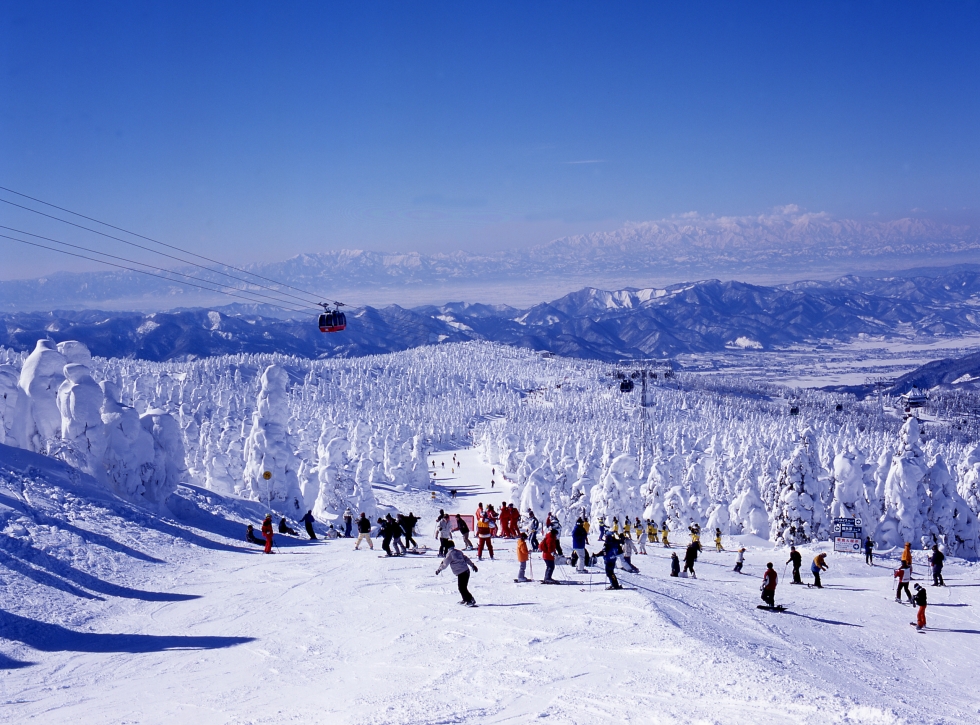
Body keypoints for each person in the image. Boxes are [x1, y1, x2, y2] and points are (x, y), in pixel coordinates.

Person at [435, 541, 479, 607]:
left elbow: (445, 563)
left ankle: (470, 600)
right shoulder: (458, 552)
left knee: (462, 588)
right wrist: (472, 565)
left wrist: (439, 569)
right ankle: (465, 599)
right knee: (462, 587)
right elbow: (466, 559)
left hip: (462, 572)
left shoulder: (450, 554)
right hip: (466, 571)